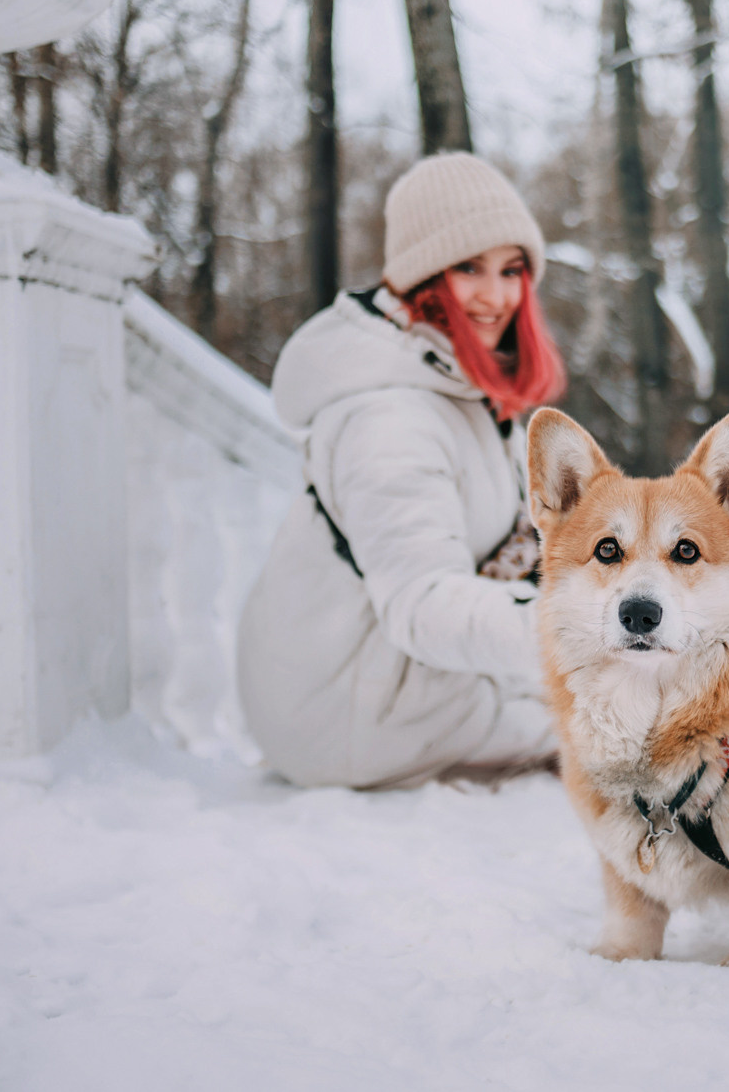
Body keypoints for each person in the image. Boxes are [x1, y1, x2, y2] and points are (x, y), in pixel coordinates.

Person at [237, 153, 569, 789]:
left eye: (511, 270)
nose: (496, 296)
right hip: (349, 711)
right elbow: (426, 604)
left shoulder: (457, 385)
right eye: (468, 267)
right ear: (423, 277)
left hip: (381, 681)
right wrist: (585, 634)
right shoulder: (389, 419)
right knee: (623, 727)